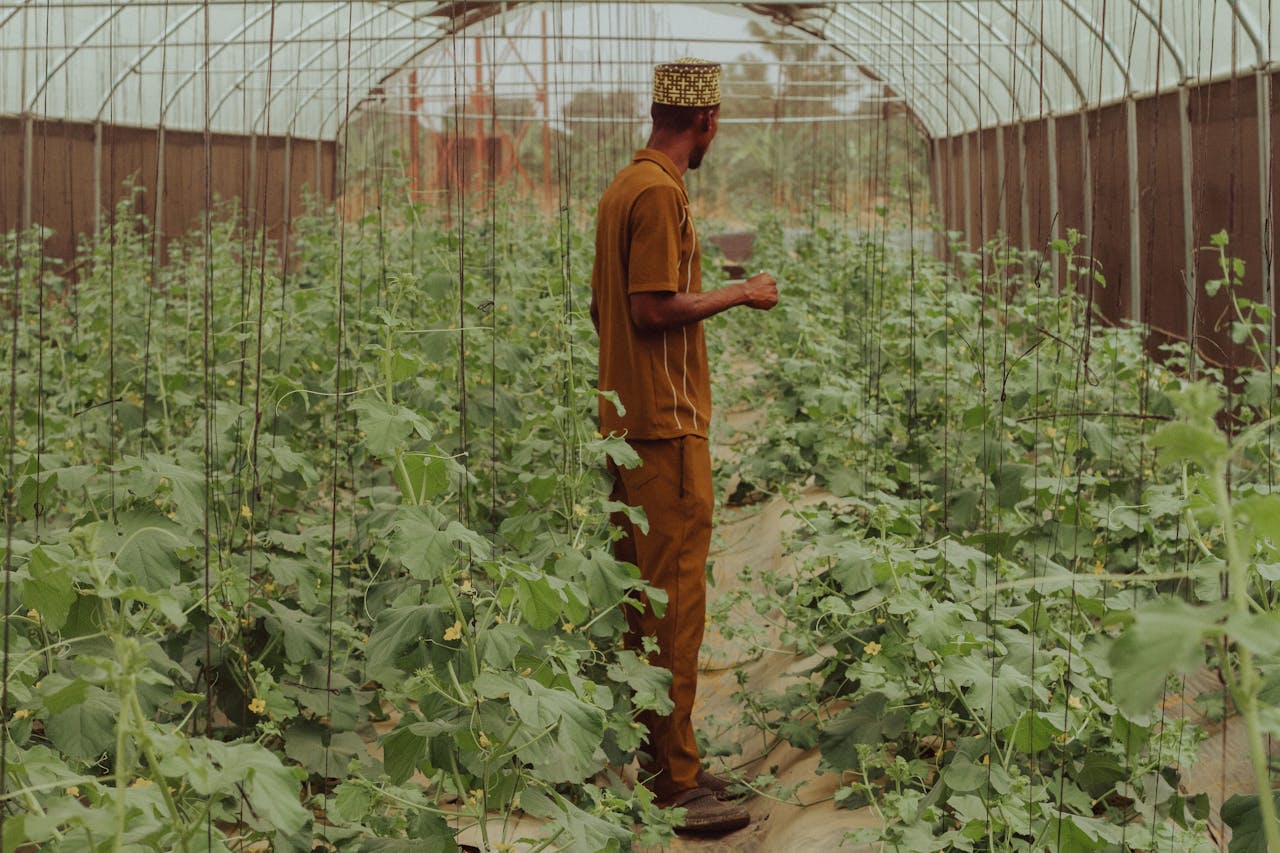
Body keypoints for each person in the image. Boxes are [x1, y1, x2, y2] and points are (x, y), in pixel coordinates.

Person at [588, 57, 779, 835]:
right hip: (662, 427)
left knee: (645, 601)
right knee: (673, 607)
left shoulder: (622, 186)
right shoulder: (661, 192)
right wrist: (741, 290)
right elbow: (649, 307)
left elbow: (613, 308)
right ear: (704, 122)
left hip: (631, 420)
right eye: (715, 124)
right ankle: (674, 783)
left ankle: (673, 759)